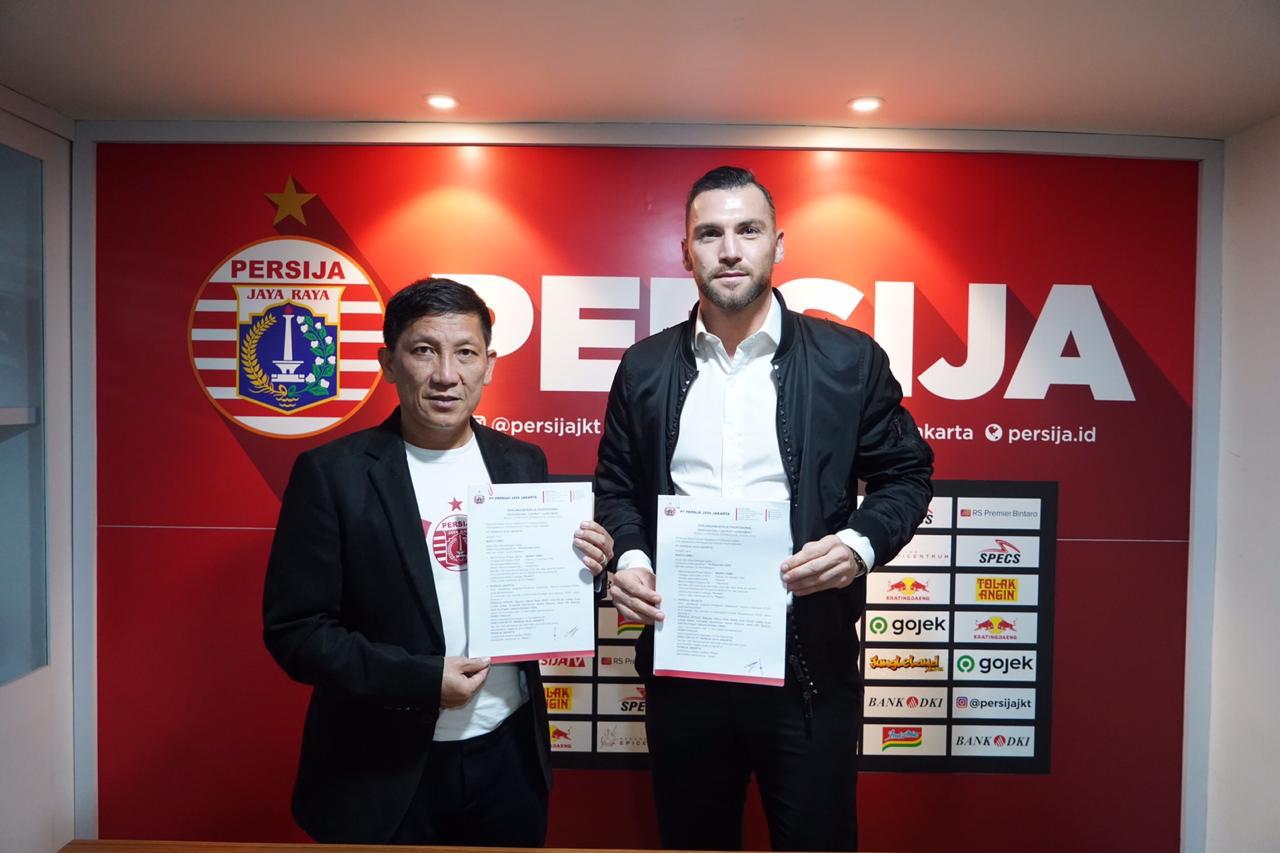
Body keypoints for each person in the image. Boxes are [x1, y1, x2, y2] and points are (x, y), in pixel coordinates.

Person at [595, 166, 933, 851]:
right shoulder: (643, 367)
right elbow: (617, 488)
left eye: (747, 230)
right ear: (686, 251)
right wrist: (627, 557)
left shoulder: (850, 360)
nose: (729, 250)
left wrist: (858, 546)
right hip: (684, 665)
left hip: (808, 668)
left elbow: (906, 474)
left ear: (777, 244)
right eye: (709, 234)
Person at [263, 278, 613, 845]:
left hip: (508, 757)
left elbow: (539, 594)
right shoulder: (332, 474)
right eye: (424, 350)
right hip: (381, 769)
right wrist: (422, 680)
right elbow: (296, 633)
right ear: (388, 363)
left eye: (466, 352)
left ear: (489, 366)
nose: (447, 374)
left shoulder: (522, 462)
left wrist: (586, 571)